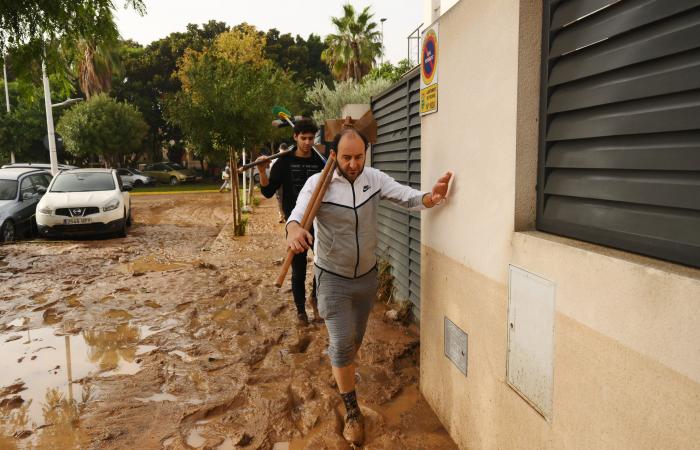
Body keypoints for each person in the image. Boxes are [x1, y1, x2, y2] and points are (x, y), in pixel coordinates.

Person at [285, 128, 452, 446]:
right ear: (334, 154)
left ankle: (339, 365)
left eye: (358, 157)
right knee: (344, 343)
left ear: (366, 154)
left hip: (366, 279)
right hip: (332, 278)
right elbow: (296, 216)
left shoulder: (373, 179)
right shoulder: (318, 185)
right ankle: (351, 411)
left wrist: (432, 197)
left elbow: (408, 197)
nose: (352, 164)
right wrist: (293, 231)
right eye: (346, 157)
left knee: (354, 340)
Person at [256, 118, 325, 325]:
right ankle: (301, 311)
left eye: (311, 138)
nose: (307, 142)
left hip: (319, 222)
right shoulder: (283, 162)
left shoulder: (319, 162)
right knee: (299, 269)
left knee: (321, 265)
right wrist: (261, 172)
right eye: (303, 138)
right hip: (295, 225)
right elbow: (268, 192)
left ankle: (315, 301)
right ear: (295, 137)